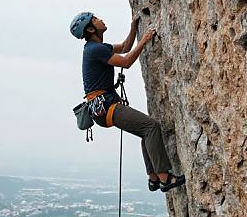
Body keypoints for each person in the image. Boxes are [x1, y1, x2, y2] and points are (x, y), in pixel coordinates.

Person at [70, 11, 185, 193]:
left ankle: (153, 178)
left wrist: (133, 29)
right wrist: (145, 40)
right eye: (96, 19)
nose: (101, 19)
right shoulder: (95, 49)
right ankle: (165, 178)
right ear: (91, 29)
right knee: (151, 127)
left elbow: (124, 47)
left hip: (103, 107)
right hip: (107, 106)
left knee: (145, 131)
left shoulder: (97, 48)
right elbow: (126, 62)